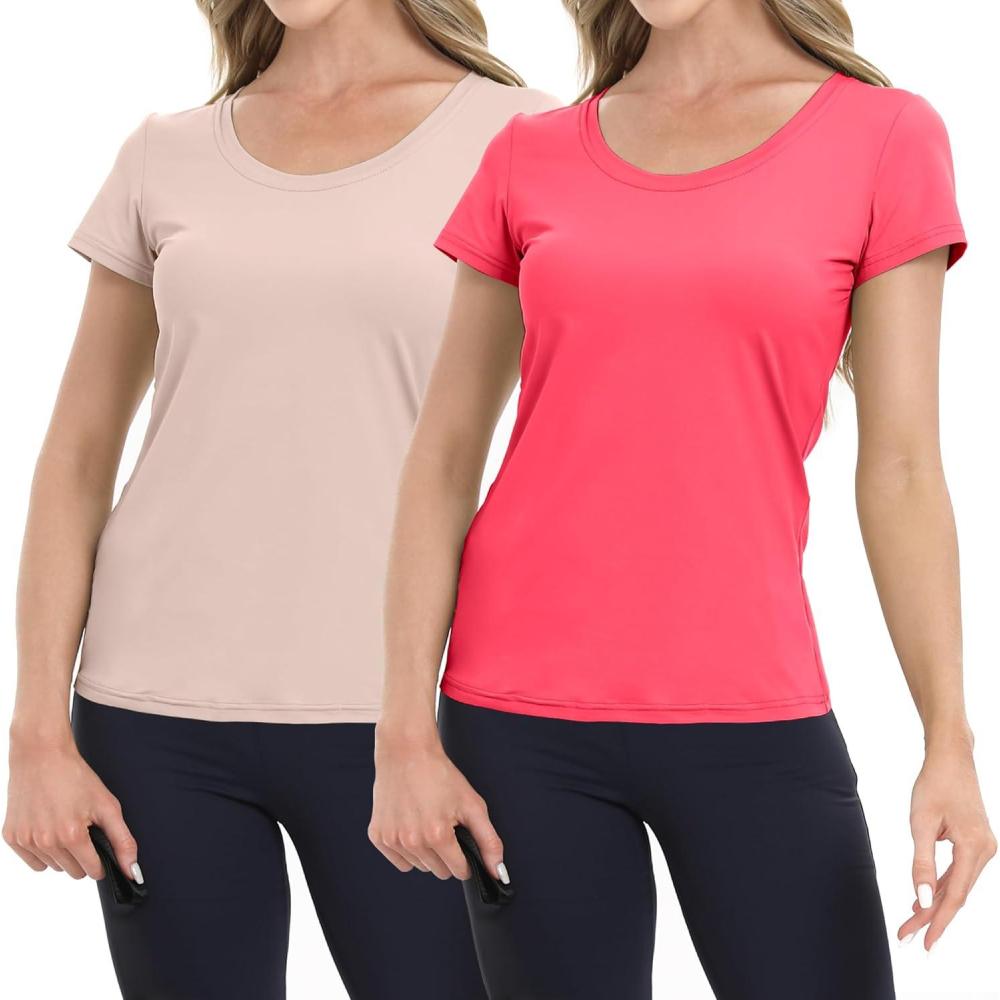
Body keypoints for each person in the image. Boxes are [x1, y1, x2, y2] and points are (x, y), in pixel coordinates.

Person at [369, 1, 995, 997]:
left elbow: (904, 468)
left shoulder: (885, 137)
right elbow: (443, 454)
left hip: (753, 708)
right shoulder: (530, 153)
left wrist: (947, 739)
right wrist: (401, 728)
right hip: (514, 719)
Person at [2, 1, 556, 997]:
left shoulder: (523, 139)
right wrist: (36, 727)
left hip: (411, 721)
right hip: (151, 716)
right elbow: (78, 454)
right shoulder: (166, 154)